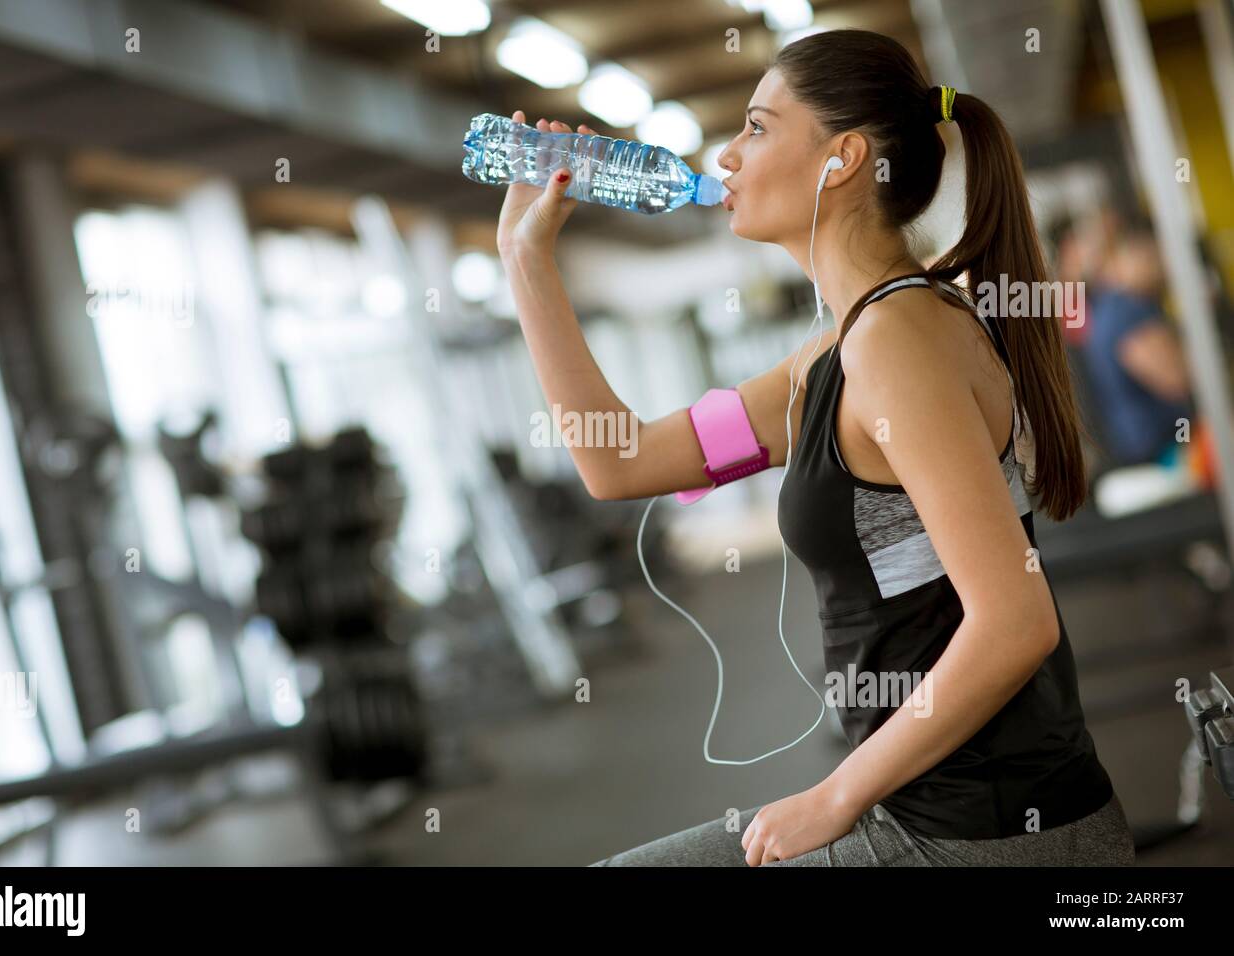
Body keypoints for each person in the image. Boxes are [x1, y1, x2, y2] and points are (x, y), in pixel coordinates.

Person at [496, 29, 1134, 866]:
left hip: (984, 833)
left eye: (757, 128)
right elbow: (620, 461)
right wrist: (526, 258)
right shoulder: (828, 361)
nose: (726, 156)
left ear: (842, 159)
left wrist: (833, 797)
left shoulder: (897, 341)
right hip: (927, 811)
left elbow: (1016, 624)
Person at [1081, 226, 1195, 468]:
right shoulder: (1126, 309)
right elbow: (1175, 379)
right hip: (1162, 452)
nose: (1163, 266)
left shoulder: (1109, 307)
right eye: (1154, 256)